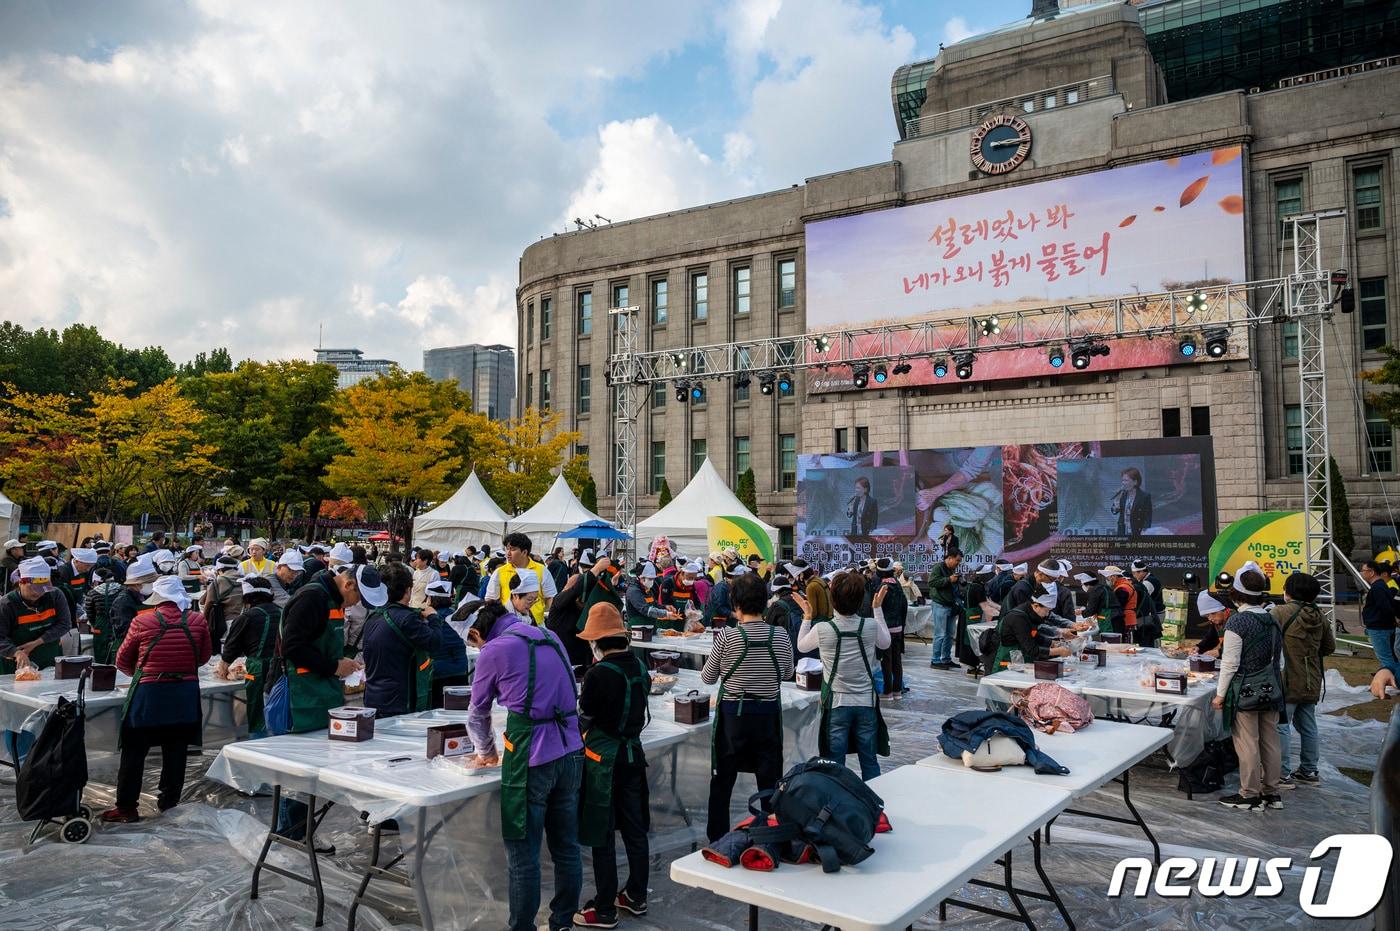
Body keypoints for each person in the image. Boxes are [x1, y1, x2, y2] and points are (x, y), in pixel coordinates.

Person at [464, 571, 583, 931]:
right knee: (566, 847)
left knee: (524, 856)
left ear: (477, 634)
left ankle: (522, 928)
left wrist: (485, 751)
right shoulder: (549, 635)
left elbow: (476, 713)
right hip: (572, 750)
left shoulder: (494, 650)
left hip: (531, 757)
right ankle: (562, 921)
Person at [276, 564, 379, 849]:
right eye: (358, 598)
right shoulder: (312, 598)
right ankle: (292, 832)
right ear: (349, 585)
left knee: (309, 768)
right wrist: (334, 666)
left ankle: (299, 830)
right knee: (299, 768)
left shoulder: (330, 599)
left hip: (321, 692)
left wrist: (344, 663)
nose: (357, 605)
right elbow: (293, 647)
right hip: (301, 695)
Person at [103, 575, 213, 823]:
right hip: (184, 695)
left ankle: (127, 808)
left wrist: (143, 674)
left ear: (156, 599)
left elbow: (122, 660)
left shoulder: (142, 621)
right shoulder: (197, 620)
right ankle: (169, 804)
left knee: (134, 752)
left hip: (149, 696)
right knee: (176, 752)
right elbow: (204, 657)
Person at [573, 603, 652, 929]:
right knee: (635, 830)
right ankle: (635, 895)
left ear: (596, 642)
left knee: (602, 833)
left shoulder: (597, 674)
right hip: (633, 756)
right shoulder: (640, 668)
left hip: (603, 762)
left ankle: (604, 907)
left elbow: (584, 717)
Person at [700, 572, 794, 841]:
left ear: (736, 604)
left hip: (733, 719)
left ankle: (717, 839)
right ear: (764, 602)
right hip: (767, 717)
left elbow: (707, 677)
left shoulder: (728, 637)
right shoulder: (779, 636)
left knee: (722, 782)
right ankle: (771, 837)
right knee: (769, 781)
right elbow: (787, 673)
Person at [795, 570, 890, 780]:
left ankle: (837, 806)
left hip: (836, 703)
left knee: (834, 763)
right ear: (860, 599)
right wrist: (877, 609)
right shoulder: (870, 626)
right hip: (866, 702)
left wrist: (807, 617)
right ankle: (873, 805)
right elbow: (886, 643)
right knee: (869, 761)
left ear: (833, 598)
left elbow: (801, 646)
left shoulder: (823, 629)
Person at [1212, 565, 1284, 811]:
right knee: (1270, 741)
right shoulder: (1272, 619)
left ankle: (1249, 794)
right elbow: (1278, 660)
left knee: (1247, 742)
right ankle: (1272, 794)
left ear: (1237, 594)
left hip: (1245, 689)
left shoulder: (1238, 622)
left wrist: (1220, 695)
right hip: (1271, 687)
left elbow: (1230, 663)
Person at [1272, 572, 1334, 789]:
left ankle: (1281, 773)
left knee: (1281, 726)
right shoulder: (1320, 616)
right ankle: (1309, 770)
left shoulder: (1280, 612)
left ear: (1288, 591)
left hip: (1287, 679)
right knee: (1308, 726)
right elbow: (1329, 647)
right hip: (1311, 680)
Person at [362, 564, 441, 719]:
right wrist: (433, 617)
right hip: (399, 701)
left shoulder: (373, 616)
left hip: (372, 697)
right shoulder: (407, 618)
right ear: (408, 590)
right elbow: (435, 642)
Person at [215, 575, 281, 737]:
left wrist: (222, 670)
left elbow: (230, 649)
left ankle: (257, 745)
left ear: (247, 597)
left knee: (257, 710)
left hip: (258, 669)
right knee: (278, 708)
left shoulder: (246, 617)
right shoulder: (282, 612)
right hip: (283, 667)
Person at [0, 556, 73, 674]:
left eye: (43, 589)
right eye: (34, 589)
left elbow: (65, 624)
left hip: (50, 658)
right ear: (21, 582)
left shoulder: (55, 595)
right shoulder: (7, 604)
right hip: (16, 666)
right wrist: (16, 652)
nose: (39, 593)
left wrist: (36, 642)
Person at [992, 583, 1072, 671]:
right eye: (1046, 611)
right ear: (1036, 605)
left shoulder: (1031, 613)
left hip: (1023, 661)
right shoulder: (1018, 618)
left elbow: (1033, 635)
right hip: (1009, 663)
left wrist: (1052, 643)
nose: (1047, 614)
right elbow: (1032, 649)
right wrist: (1059, 651)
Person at [485, 532, 557, 627]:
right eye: (507, 549)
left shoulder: (541, 570)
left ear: (524, 552)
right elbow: (490, 600)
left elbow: (550, 598)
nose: (508, 553)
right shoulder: (499, 572)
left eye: (513, 549)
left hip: (536, 625)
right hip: (508, 625)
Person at [927, 548, 962, 670]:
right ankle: (935, 660)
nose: (958, 563)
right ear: (950, 558)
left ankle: (946, 658)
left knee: (950, 634)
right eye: (957, 560)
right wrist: (949, 579)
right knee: (940, 634)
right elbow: (932, 582)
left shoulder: (952, 569)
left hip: (950, 605)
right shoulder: (938, 567)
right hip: (940, 604)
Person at [200, 555, 243, 654]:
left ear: (220, 569)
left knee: (225, 653)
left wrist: (204, 621)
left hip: (225, 622)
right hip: (244, 620)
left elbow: (209, 602)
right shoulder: (245, 578)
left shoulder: (219, 581)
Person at [1362, 559, 1397, 676]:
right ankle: (1388, 680)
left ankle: (1395, 681)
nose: (1362, 573)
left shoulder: (1377, 587)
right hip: (1382, 626)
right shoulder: (1381, 585)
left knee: (1386, 658)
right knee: (1387, 657)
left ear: (1372, 572)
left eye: (1364, 571)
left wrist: (1392, 620)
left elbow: (1385, 607)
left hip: (1379, 627)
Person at [624, 562, 680, 632]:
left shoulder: (647, 589)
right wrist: (666, 614)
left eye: (653, 579)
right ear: (641, 578)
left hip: (650, 629)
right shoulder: (634, 591)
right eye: (650, 579)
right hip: (638, 630)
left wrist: (665, 607)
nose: (652, 581)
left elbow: (653, 604)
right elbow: (646, 609)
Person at [84, 567, 125, 661]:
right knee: (118, 655)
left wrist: (94, 624)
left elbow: (90, 613)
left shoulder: (92, 593)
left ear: (95, 581)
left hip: (100, 629)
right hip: (119, 627)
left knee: (101, 657)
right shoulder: (122, 589)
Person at [1101, 565, 1139, 641]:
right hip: (1127, 619)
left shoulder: (1123, 588)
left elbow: (1117, 606)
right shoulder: (1124, 585)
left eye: (1107, 578)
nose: (1107, 580)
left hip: (1125, 620)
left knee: (1123, 645)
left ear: (1113, 577)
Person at [1111, 467, 1153, 536]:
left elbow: (1148, 516)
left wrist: (1145, 531)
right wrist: (1117, 502)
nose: (1123, 483)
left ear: (1135, 482)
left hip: (1138, 531)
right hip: (1123, 531)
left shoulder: (1144, 496)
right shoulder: (1122, 495)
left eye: (1126, 480)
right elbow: (1114, 511)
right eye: (1122, 480)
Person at [704, 564, 744, 628]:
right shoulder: (721, 588)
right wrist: (734, 614)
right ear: (730, 578)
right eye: (740, 579)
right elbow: (719, 608)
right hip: (716, 622)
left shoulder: (733, 587)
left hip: (728, 622)